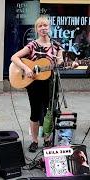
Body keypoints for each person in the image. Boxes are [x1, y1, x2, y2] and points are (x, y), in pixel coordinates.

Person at [11, 16, 79, 153]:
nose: (43, 28)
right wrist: (27, 68)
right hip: (34, 84)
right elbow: (14, 57)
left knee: (49, 112)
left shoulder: (56, 46)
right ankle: (35, 141)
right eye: (40, 26)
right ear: (36, 29)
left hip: (50, 83)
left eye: (45, 26)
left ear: (49, 28)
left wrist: (72, 64)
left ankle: (47, 139)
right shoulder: (32, 45)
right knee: (35, 112)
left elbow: (60, 64)